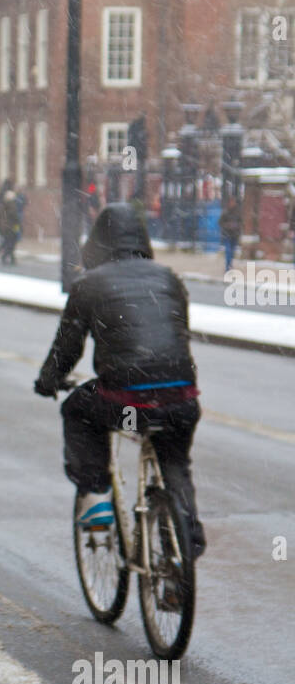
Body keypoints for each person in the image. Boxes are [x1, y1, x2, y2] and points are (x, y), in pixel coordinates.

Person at [34, 202, 205, 558]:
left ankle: (96, 495)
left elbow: (67, 349)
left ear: (98, 243)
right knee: (174, 462)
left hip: (127, 398)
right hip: (182, 397)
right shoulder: (169, 277)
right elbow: (179, 333)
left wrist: (49, 381)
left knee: (78, 410)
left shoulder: (88, 285)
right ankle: (184, 544)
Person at [0, 188, 21, 265]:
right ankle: (5, 257)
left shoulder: (2, 205)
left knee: (7, 243)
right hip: (10, 227)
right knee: (10, 243)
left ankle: (5, 256)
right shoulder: (12, 205)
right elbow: (15, 217)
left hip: (4, 227)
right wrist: (18, 225)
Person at [219, 193, 242, 274]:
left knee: (232, 251)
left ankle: (230, 265)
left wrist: (237, 226)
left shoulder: (237, 212)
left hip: (234, 235)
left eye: (234, 202)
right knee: (228, 251)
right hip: (227, 235)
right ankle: (227, 267)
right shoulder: (225, 212)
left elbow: (241, 222)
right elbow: (220, 222)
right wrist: (228, 225)